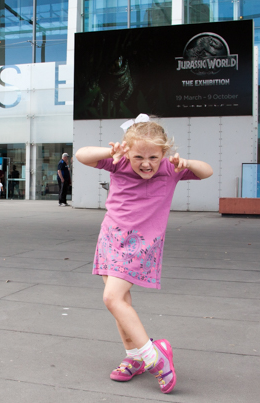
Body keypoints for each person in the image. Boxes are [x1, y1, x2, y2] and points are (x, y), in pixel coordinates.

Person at [75, 115, 212, 395]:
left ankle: (154, 357)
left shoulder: (171, 170)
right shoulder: (119, 162)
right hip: (111, 239)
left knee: (111, 298)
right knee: (120, 301)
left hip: (141, 245)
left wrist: (187, 163)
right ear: (127, 150)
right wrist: (110, 152)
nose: (146, 163)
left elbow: (206, 171)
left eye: (153, 156)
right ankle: (134, 356)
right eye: (139, 156)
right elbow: (82, 155)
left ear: (164, 153)